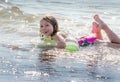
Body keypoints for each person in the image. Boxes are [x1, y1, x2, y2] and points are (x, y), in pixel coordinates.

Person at [39, 15, 120, 51]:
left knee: (118, 45)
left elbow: (62, 44)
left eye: (47, 25)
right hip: (84, 41)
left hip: (87, 42)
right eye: (41, 26)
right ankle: (98, 30)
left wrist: (51, 49)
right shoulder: (48, 35)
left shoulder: (56, 34)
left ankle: (104, 26)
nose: (44, 28)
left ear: (54, 26)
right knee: (102, 42)